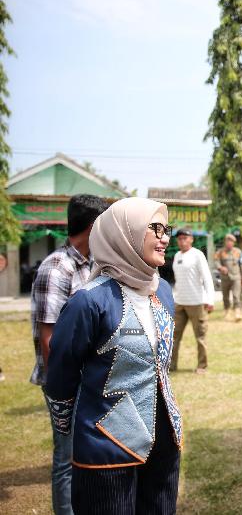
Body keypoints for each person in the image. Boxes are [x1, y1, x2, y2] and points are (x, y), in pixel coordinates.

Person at [44, 197, 182, 514]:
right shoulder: (88, 302)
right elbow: (60, 377)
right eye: (155, 228)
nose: (164, 237)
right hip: (106, 448)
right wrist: (67, 430)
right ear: (125, 233)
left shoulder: (162, 291)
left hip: (165, 442)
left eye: (166, 229)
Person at [29, 194, 109, 515]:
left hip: (85, 379)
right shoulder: (56, 268)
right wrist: (63, 391)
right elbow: (49, 339)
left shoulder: (92, 265)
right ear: (93, 227)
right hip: (65, 382)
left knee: (83, 453)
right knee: (66, 459)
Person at [170, 228, 215, 374]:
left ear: (191, 239)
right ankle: (171, 365)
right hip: (180, 302)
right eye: (180, 238)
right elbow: (178, 280)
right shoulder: (177, 256)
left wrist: (210, 299)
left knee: (200, 336)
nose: (182, 241)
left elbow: (207, 278)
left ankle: (202, 365)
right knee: (173, 336)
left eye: (185, 238)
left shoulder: (197, 255)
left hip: (197, 302)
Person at [214, 233, 242, 322]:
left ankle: (237, 312)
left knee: (236, 295)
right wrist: (220, 267)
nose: (229, 243)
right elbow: (216, 261)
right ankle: (227, 311)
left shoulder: (238, 252)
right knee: (225, 296)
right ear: (225, 242)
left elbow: (241, 265)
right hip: (225, 278)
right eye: (227, 241)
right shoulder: (220, 252)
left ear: (233, 243)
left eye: (231, 242)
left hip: (236, 277)